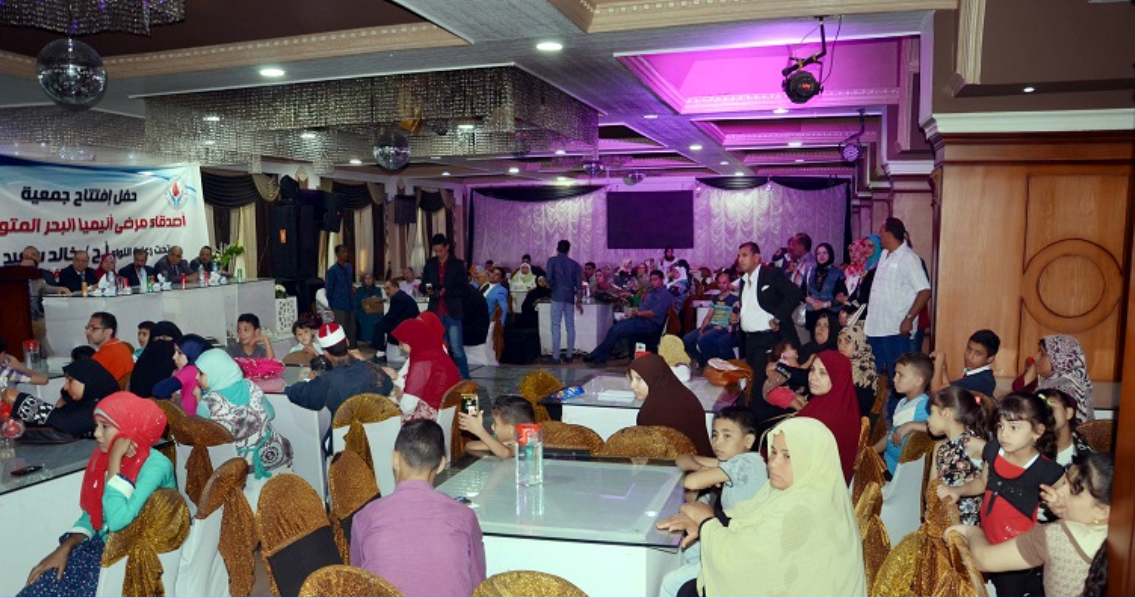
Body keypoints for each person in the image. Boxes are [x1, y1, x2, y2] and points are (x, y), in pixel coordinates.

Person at [657, 417, 866, 597]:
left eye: (787, 456)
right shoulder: (806, 489)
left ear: (811, 460)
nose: (773, 463)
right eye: (773, 452)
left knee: (682, 588)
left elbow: (738, 564)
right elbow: (749, 517)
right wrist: (706, 521)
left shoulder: (804, 509)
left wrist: (705, 521)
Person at [16, 392, 173, 598]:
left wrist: (114, 460)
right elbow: (93, 515)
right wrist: (66, 547)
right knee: (41, 583)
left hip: (131, 560)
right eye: (97, 425)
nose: (96, 433)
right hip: (102, 548)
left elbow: (117, 522)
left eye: (105, 427)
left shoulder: (156, 466)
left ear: (129, 429)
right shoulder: (102, 459)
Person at [937, 393, 1065, 597]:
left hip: (1015, 550)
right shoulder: (994, 451)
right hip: (987, 535)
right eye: (1000, 426)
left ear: (1037, 432)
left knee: (1010, 590)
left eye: (1014, 427)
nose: (1004, 434)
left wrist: (1059, 506)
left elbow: (1069, 502)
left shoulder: (1047, 470)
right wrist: (958, 490)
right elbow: (982, 483)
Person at [946, 452, 1112, 598]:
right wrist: (1064, 513)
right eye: (1065, 483)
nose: (1059, 492)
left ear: (1103, 512)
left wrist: (972, 531)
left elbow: (983, 560)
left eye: (1072, 490)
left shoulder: (1057, 536)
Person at [351, 419, 486, 597]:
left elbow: (357, 585)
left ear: (395, 459)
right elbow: (479, 586)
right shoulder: (464, 517)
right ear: (441, 464)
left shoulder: (365, 518)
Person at [662, 407, 765, 596]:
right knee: (687, 551)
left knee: (671, 582)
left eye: (727, 436)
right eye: (715, 435)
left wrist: (704, 473)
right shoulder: (734, 462)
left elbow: (691, 482)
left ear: (748, 441)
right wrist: (703, 469)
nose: (718, 442)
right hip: (731, 538)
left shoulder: (748, 463)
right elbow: (682, 459)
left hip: (742, 549)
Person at [285, 323, 393, 451]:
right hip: (377, 440)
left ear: (326, 353)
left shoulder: (327, 380)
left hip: (343, 445)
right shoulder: (372, 369)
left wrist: (307, 380)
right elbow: (388, 386)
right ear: (347, 342)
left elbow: (296, 393)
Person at [195, 349, 293, 479]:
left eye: (201, 373)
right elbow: (270, 414)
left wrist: (198, 399)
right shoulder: (250, 385)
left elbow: (203, 439)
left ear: (215, 373)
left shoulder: (207, 404)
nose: (196, 377)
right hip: (275, 455)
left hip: (242, 469)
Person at [730, 242, 802, 391]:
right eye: (739, 256)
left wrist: (778, 317)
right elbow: (751, 306)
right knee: (752, 380)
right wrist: (737, 317)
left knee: (760, 383)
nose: (740, 259)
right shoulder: (744, 280)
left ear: (757, 258)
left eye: (744, 255)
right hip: (749, 340)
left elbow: (794, 293)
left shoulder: (770, 274)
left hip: (767, 339)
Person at [864, 218, 931, 376]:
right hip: (875, 328)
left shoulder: (909, 258)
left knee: (898, 376)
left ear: (889, 234)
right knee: (876, 375)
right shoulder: (884, 255)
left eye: (881, 232)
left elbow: (925, 291)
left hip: (894, 329)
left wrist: (909, 318)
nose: (879, 235)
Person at [3, 358, 119, 440]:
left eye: (70, 380)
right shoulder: (84, 402)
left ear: (88, 381)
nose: (65, 387)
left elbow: (64, 422)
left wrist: (19, 399)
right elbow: (55, 416)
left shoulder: (104, 406)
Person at [927, 386, 994, 525]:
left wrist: (957, 491)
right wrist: (930, 506)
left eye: (932, 413)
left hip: (967, 521)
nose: (928, 420)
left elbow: (985, 482)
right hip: (942, 517)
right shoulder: (939, 447)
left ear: (946, 413)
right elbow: (932, 485)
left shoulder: (975, 445)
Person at [793, 350, 862, 484]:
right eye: (812, 370)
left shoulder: (829, 418)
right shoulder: (835, 402)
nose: (813, 377)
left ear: (838, 377)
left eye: (823, 373)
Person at [626, 353, 713, 457]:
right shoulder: (680, 395)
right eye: (632, 379)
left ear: (653, 377)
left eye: (639, 379)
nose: (632, 386)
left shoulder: (657, 411)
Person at [585, 270, 671, 367]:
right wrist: (636, 311)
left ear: (662, 279)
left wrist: (639, 313)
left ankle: (597, 356)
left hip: (650, 324)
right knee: (614, 328)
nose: (653, 282)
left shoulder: (665, 295)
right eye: (651, 280)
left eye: (655, 279)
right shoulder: (653, 293)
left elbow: (655, 313)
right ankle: (599, 356)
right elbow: (644, 306)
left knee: (616, 330)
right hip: (641, 319)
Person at [388, 316, 461, 422]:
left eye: (401, 342)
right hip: (447, 416)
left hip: (430, 421)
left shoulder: (422, 362)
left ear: (412, 340)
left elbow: (407, 408)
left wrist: (398, 398)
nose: (400, 347)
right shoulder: (437, 353)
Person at [873, 352, 933, 475]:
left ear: (918, 381)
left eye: (901, 375)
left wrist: (911, 425)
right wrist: (872, 450)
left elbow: (938, 429)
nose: (894, 379)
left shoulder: (923, 406)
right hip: (889, 462)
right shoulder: (902, 402)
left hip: (902, 472)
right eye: (895, 374)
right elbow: (892, 433)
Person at [421, 234, 471, 379]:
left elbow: (464, 289)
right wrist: (427, 290)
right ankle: (444, 378)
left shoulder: (457, 264)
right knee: (439, 348)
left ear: (447, 247)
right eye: (436, 251)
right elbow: (423, 284)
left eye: (441, 250)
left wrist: (446, 291)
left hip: (452, 312)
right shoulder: (430, 264)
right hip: (435, 312)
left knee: (456, 348)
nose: (438, 254)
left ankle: (465, 378)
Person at [1014, 334, 1095, 423]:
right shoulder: (1050, 381)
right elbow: (1019, 391)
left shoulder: (1064, 388)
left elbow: (1022, 406)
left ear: (1059, 359)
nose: (1036, 358)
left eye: (1042, 354)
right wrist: (1035, 366)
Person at [682, 272, 738, 370]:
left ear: (729, 283)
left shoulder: (734, 299)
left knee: (702, 339)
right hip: (712, 325)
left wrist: (726, 326)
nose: (721, 285)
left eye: (724, 283)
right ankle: (701, 360)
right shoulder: (715, 298)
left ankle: (711, 364)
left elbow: (736, 317)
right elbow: (709, 316)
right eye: (719, 283)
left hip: (723, 328)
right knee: (687, 339)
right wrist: (702, 328)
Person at [458, 395, 535, 459]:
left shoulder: (526, 442)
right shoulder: (504, 440)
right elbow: (469, 446)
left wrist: (480, 431)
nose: (492, 427)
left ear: (510, 429)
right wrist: (496, 444)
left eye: (495, 423)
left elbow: (505, 453)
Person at [545, 239, 583, 364]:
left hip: (556, 295)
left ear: (557, 249)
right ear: (568, 250)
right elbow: (579, 285)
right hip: (570, 297)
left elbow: (549, 279)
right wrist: (579, 301)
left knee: (555, 326)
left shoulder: (552, 261)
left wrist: (552, 286)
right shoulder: (575, 264)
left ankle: (556, 357)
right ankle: (569, 356)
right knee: (570, 326)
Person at [152, 334, 210, 414]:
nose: (174, 357)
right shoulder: (202, 369)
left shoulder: (191, 370)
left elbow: (159, 390)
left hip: (189, 419)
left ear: (191, 353)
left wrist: (172, 397)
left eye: (179, 353)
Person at [931, 329, 999, 396]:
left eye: (978, 354)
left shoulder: (981, 380)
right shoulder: (977, 373)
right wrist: (943, 369)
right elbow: (950, 392)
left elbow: (936, 392)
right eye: (969, 349)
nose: (970, 356)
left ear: (990, 358)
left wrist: (938, 362)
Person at [1042, 388, 1095, 467]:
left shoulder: (1088, 459)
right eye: (1039, 410)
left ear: (1068, 413)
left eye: (1050, 407)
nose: (1045, 413)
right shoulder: (1028, 454)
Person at [129, 321, 182, 398]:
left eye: (164, 338)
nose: (160, 342)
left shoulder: (182, 365)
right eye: (155, 339)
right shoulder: (142, 363)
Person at [836, 324, 878, 419]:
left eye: (847, 341)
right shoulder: (840, 365)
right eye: (839, 341)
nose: (841, 346)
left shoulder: (865, 370)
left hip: (854, 417)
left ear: (859, 343)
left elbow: (861, 406)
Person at [803, 242, 846, 329]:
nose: (821, 256)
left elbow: (842, 298)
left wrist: (824, 304)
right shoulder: (810, 271)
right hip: (812, 312)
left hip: (830, 314)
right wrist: (811, 301)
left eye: (825, 253)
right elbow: (802, 291)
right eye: (818, 253)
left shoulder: (837, 273)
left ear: (830, 254)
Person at [374, 279, 420, 351]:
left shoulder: (396, 297)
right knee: (384, 324)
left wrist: (381, 319)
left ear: (396, 287)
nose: (386, 291)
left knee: (378, 325)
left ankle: (380, 351)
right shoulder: (402, 296)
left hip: (405, 324)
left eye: (388, 288)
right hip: (410, 322)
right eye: (385, 289)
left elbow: (391, 315)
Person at [86, 312, 134, 382]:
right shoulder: (123, 347)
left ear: (108, 332)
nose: (87, 332)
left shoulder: (103, 355)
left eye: (93, 328)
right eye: (87, 328)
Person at [325, 244, 357, 349]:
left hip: (350, 303)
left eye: (347, 252)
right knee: (341, 329)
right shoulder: (332, 270)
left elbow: (349, 283)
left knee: (352, 328)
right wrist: (331, 305)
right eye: (343, 252)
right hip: (339, 304)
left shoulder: (349, 267)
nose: (346, 254)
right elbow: (329, 289)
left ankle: (352, 349)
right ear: (337, 254)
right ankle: (341, 350)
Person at [354, 272, 384, 347]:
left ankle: (373, 340)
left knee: (376, 318)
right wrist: (367, 300)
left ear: (373, 279)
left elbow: (380, 301)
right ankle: (365, 340)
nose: (368, 281)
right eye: (366, 279)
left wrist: (374, 299)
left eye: (370, 278)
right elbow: (357, 302)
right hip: (362, 311)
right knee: (363, 318)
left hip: (374, 311)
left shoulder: (377, 290)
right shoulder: (359, 290)